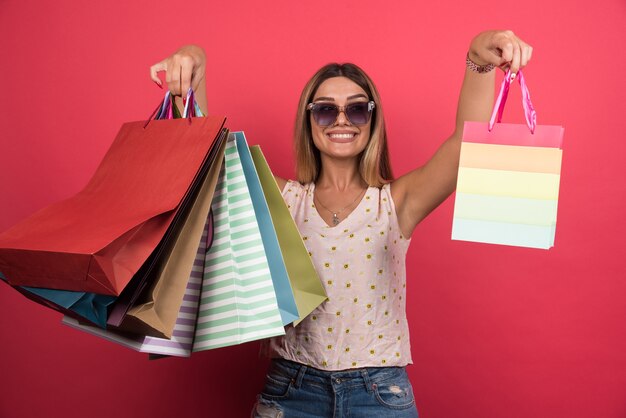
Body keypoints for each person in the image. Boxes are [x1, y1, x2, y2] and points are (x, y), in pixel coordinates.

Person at [150, 30, 532, 417]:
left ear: (372, 118)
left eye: (357, 109)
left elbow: (466, 144)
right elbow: (211, 156)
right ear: (310, 119)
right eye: (326, 109)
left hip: (380, 393)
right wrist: (193, 60)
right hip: (291, 389)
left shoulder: (397, 202)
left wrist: (478, 60)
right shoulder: (281, 198)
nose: (342, 120)